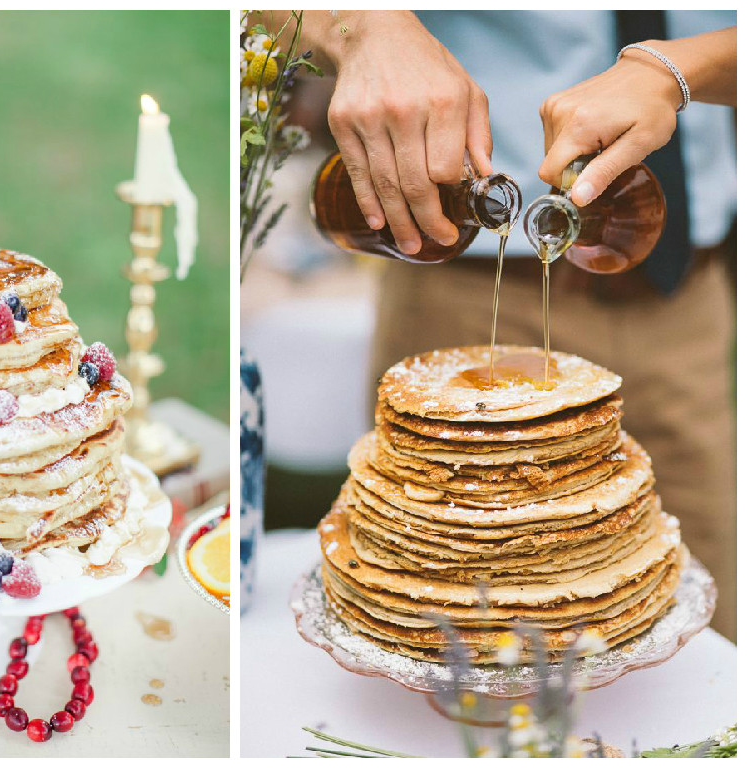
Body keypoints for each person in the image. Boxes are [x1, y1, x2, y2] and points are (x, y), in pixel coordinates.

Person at [267, 10, 736, 639]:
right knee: (447, 619)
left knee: (703, 627)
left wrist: (679, 68)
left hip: (683, 295)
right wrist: (363, 27)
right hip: (462, 285)